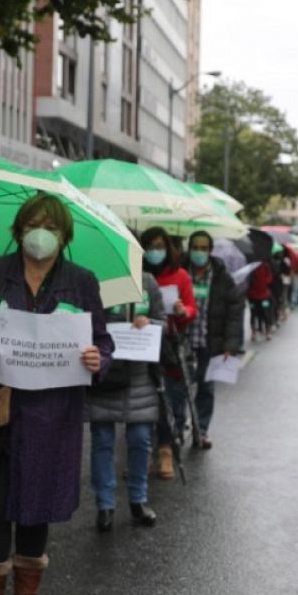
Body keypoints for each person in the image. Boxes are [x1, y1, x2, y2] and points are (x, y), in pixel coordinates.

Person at [0, 193, 114, 595]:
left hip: (52, 417)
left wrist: (100, 358)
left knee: (37, 507)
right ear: (19, 229)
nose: (41, 234)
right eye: (34, 224)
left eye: (52, 227)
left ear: (65, 236)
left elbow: (102, 340)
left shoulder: (82, 281)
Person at [87, 269, 164, 531]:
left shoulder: (148, 282)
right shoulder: (95, 280)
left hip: (140, 374)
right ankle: (105, 504)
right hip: (106, 373)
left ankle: (138, 500)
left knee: (140, 439)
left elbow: (163, 322)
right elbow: (82, 321)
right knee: (102, 442)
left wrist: (150, 324)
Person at [176, 230, 245, 449]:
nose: (199, 252)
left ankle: (201, 429)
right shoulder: (179, 273)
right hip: (182, 341)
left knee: (206, 388)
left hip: (209, 342)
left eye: (203, 248)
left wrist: (230, 346)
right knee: (178, 388)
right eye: (195, 247)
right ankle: (177, 429)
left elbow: (234, 312)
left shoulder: (222, 278)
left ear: (210, 251)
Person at [140, 227, 198, 480]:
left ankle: (165, 451)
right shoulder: (137, 276)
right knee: (143, 401)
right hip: (141, 346)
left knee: (169, 400)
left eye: (159, 246)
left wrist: (182, 311)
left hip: (171, 345)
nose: (155, 251)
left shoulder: (181, 276)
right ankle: (142, 453)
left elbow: (191, 308)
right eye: (150, 246)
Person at [247, 256, 275, 342]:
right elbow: (269, 279)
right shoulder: (264, 265)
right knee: (266, 313)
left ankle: (254, 333)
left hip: (256, 296)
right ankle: (267, 332)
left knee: (254, 313)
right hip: (261, 295)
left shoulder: (252, 265)